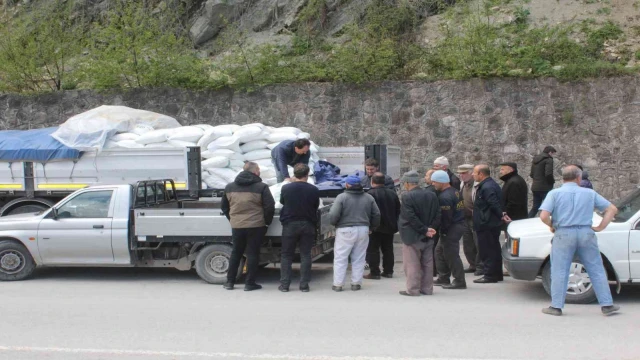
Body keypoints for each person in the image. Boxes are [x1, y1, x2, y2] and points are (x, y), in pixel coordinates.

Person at [539, 165, 619, 316]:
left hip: (563, 233)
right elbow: (612, 209)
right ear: (578, 178)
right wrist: (601, 226)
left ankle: (556, 307)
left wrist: (552, 225)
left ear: (562, 178)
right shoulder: (589, 193)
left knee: (560, 270)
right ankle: (607, 305)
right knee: (596, 269)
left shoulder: (554, 193)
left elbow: (543, 216)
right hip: (586, 232)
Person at [221, 162, 276, 291]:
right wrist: (266, 222)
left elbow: (224, 207)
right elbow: (270, 206)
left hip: (237, 225)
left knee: (236, 253)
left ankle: (230, 282)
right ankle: (249, 283)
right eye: (259, 169)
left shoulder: (229, 187)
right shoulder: (261, 187)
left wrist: (233, 219)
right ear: (255, 171)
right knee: (252, 253)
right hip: (256, 225)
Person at [329, 175, 381, 291]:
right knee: (359, 258)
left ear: (347, 185)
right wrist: (372, 227)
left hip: (345, 230)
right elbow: (377, 215)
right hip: (363, 229)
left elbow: (333, 215)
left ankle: (338, 284)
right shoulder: (368, 197)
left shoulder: (341, 197)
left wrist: (334, 224)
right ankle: (356, 283)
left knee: (340, 257)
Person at [398, 171, 441, 296]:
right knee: (428, 263)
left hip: (412, 236)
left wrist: (424, 230)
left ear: (407, 183)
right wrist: (431, 228)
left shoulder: (407, 197)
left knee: (412, 263)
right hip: (429, 236)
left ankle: (413, 289)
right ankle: (427, 289)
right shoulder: (431, 195)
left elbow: (410, 217)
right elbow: (438, 213)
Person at [278, 164, 320, 293]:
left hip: (290, 224)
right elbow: (315, 206)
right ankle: (304, 285)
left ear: (294, 174)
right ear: (307, 175)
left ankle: (285, 285)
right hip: (307, 224)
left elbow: (282, 202)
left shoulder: (286, 188)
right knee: (306, 255)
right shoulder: (313, 189)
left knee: (286, 255)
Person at [432, 170, 467, 289]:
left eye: (434, 182)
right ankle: (443, 277)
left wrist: (444, 232)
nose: (433, 184)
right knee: (439, 252)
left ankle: (459, 280)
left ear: (441, 182)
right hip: (458, 224)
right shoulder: (455, 191)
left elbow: (446, 217)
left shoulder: (444, 197)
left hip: (452, 228)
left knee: (451, 255)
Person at [364, 172, 401, 280]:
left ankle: (375, 272)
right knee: (388, 249)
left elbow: (368, 212)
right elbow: (398, 209)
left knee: (373, 249)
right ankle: (388, 271)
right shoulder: (392, 193)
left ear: (372, 181)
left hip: (375, 227)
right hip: (390, 226)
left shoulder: (369, 194)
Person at [472, 165, 504, 284]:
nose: (472, 175)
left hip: (486, 224)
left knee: (488, 250)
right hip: (489, 222)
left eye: (474, 172)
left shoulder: (487, 187)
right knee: (494, 249)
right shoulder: (489, 185)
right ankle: (496, 274)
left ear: (481, 174)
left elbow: (493, 203)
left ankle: (490, 275)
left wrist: (501, 214)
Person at [457, 164, 481, 275]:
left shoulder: (477, 185)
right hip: (465, 217)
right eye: (460, 173)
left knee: (478, 243)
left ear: (471, 173)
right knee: (467, 243)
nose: (461, 175)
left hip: (475, 218)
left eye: (464, 173)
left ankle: (480, 266)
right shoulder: (463, 184)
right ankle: (472, 264)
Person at [529, 146, 556, 218]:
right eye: (553, 153)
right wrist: (552, 182)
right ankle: (554, 224)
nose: (552, 155)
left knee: (535, 207)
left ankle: (527, 220)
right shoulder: (549, 159)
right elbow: (548, 174)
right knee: (551, 207)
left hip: (535, 187)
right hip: (545, 187)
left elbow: (531, 174)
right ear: (550, 152)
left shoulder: (535, 159)